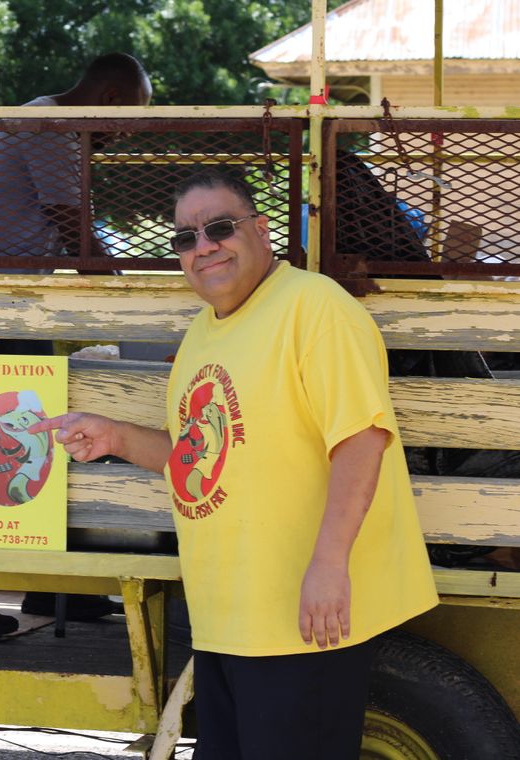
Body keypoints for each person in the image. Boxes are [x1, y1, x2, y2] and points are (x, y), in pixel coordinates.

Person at [31, 168, 438, 758]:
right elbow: (199, 458)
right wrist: (114, 437)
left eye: (219, 227)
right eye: (185, 237)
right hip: (230, 623)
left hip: (305, 624)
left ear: (262, 228)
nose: (203, 247)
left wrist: (328, 566)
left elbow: (361, 440)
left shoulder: (314, 308)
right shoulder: (203, 334)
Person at [0, 52, 153, 639]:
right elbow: (76, 229)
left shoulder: (60, 132)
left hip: (7, 308)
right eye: (130, 118)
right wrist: (137, 310)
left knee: (40, 435)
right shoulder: (49, 125)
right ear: (108, 99)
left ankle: (56, 586)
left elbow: (80, 232)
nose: (126, 134)